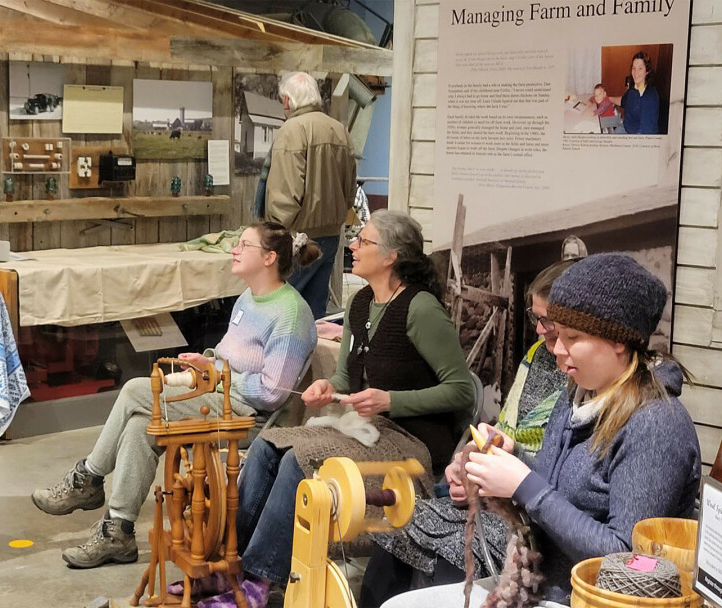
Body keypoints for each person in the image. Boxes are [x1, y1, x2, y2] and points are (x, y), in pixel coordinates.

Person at [381, 253, 701, 607]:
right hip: (543, 587)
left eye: (573, 337)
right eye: (557, 335)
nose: (559, 351)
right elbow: (555, 489)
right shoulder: (577, 395)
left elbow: (625, 562)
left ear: (618, 340)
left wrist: (525, 484)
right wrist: (507, 458)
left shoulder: (656, 425)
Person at [195, 210, 475, 608]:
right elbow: (344, 379)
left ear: (392, 255)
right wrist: (328, 388)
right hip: (364, 428)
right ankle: (231, 566)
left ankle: (259, 581)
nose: (354, 246)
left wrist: (392, 400)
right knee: (267, 447)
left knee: (300, 462)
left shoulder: (421, 309)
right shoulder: (360, 303)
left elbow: (462, 391)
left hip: (412, 443)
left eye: (364, 241)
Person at [31, 221, 319, 569]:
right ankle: (118, 533)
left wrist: (217, 377)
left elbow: (273, 392)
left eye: (244, 245)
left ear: (270, 257)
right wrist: (208, 361)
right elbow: (231, 357)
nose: (234, 250)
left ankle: (88, 478)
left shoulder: (291, 314)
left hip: (249, 417)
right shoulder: (248, 298)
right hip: (220, 394)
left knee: (136, 389)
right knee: (139, 425)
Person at [360, 258, 576, 606]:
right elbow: (505, 430)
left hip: (531, 516)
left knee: (458, 548)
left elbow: (555, 477)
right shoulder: (538, 356)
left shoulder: (578, 381)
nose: (538, 330)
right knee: (399, 525)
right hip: (504, 492)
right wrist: (469, 463)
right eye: (536, 319)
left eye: (547, 321)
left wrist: (498, 478)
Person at [263, 71, 356, 320]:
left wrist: (273, 236)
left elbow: (284, 193)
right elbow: (350, 192)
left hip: (297, 240)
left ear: (287, 101)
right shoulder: (340, 130)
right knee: (314, 316)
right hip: (330, 237)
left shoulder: (292, 130)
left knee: (280, 314)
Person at [618, 52, 660, 134]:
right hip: (625, 127)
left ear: (647, 71)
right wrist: (606, 98)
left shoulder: (649, 97)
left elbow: (645, 134)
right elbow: (622, 101)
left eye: (640, 68)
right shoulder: (633, 90)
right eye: (634, 68)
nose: (636, 72)